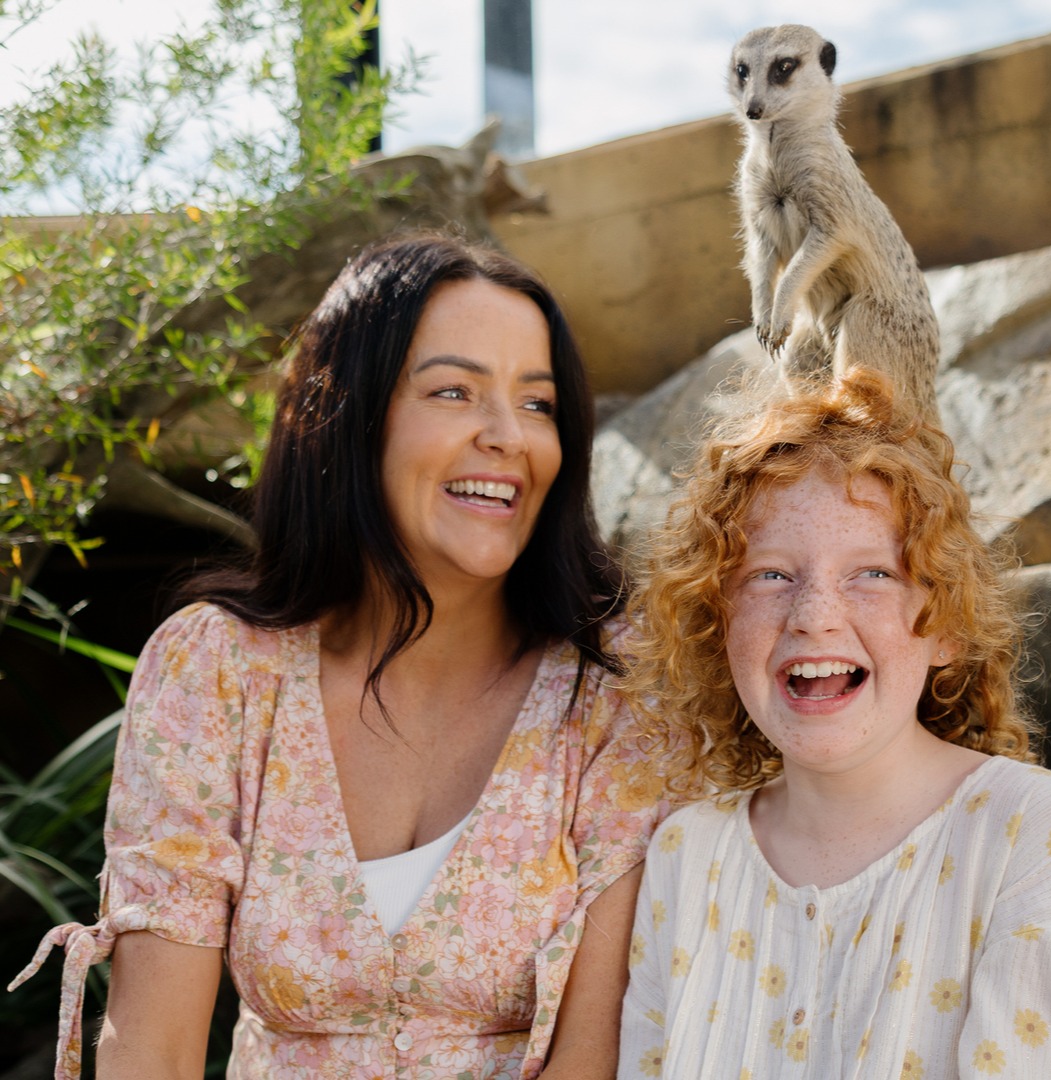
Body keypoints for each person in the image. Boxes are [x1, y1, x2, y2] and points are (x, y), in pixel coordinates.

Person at [11, 232, 672, 1079]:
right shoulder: (216, 670)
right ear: (346, 417)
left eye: (539, 404)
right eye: (454, 391)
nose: (509, 435)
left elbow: (596, 1055)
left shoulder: (618, 687)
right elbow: (154, 1048)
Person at [616, 370, 1051, 1078]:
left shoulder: (1033, 834)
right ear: (717, 625)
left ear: (947, 624)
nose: (814, 616)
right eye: (771, 575)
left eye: (873, 573)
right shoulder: (686, 856)